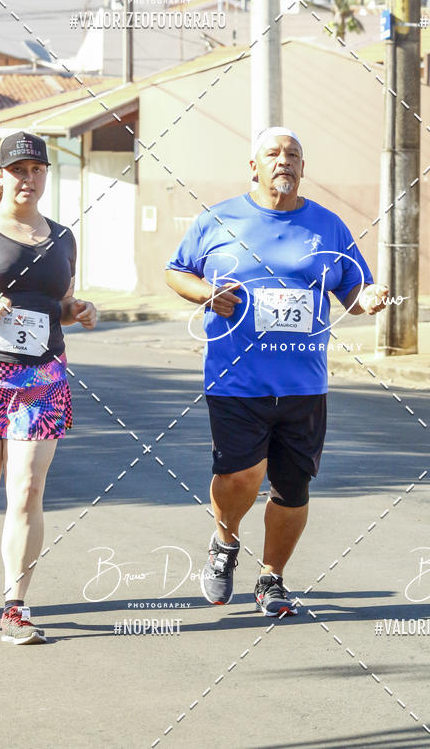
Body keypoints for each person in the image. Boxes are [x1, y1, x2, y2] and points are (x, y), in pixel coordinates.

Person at [165, 126, 388, 617]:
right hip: (235, 378)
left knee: (292, 487)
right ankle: (225, 541)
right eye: (272, 153)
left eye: (293, 154)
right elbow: (176, 270)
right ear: (254, 166)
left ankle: (272, 578)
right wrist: (206, 294)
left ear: (303, 168)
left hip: (304, 382)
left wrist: (368, 298)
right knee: (239, 475)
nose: (283, 160)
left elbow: (353, 291)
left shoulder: (328, 227)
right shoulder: (218, 219)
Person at [0, 131, 97, 645]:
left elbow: (59, 303)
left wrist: (79, 309)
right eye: (18, 169)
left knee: (27, 489)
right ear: (1, 175)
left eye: (37, 169)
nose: (28, 178)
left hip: (42, 377)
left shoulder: (62, 238)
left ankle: (15, 606)